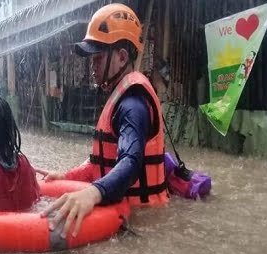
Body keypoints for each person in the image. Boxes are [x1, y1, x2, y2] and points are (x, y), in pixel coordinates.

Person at [37, 3, 169, 238]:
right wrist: (66, 177)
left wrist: (93, 193)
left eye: (97, 59)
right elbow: (100, 164)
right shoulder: (120, 96)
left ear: (121, 57)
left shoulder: (132, 105)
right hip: (128, 211)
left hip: (143, 221)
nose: (92, 67)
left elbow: (130, 162)